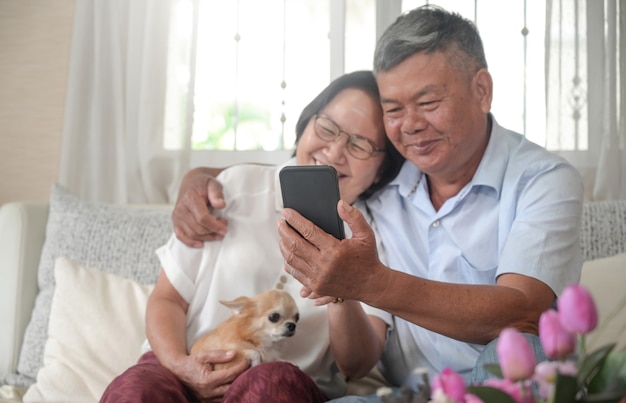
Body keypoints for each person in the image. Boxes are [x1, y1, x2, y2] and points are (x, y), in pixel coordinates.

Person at [170, 4, 585, 400]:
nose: (410, 126)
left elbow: (520, 314)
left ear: (481, 90)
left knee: (521, 351)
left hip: (501, 386)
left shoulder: (544, 181)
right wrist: (201, 178)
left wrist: (369, 282)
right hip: (409, 396)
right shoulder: (384, 181)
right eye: (393, 110)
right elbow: (312, 163)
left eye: (427, 102)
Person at [100, 70, 404, 403]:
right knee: (137, 390)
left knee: (272, 385)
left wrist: (339, 290)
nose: (334, 151)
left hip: (282, 385)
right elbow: (168, 299)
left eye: (360, 144)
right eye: (327, 128)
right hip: (182, 367)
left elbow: (357, 365)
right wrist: (179, 364)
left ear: (381, 170)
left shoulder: (374, 236)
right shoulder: (235, 187)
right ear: (305, 125)